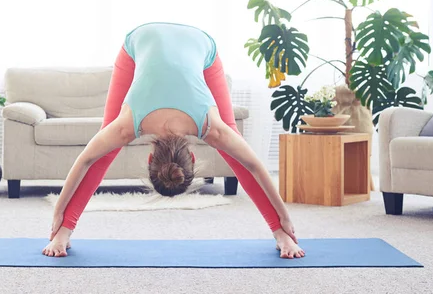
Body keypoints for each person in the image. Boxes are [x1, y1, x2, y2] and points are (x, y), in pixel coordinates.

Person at [42, 22, 305, 259]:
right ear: (149, 157)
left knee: (104, 151)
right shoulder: (129, 126)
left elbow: (255, 166)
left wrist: (284, 218)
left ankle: (64, 232)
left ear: (190, 157)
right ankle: (279, 234)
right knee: (235, 150)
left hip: (190, 43)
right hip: (151, 40)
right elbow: (85, 160)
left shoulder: (210, 128)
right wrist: (283, 217)